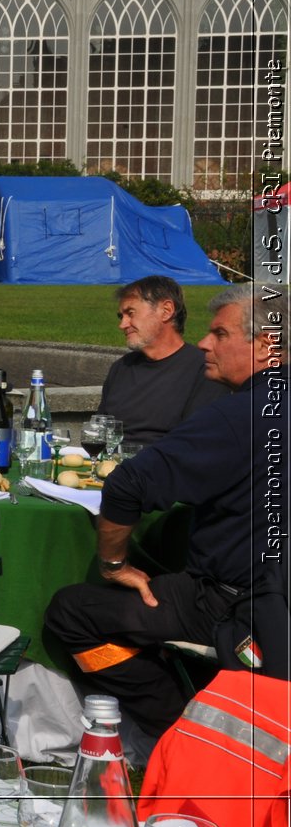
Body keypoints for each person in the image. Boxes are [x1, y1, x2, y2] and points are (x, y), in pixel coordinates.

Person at [45, 283, 289, 740]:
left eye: (218, 334)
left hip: (236, 603)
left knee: (72, 612)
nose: (204, 343)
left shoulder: (239, 417)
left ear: (265, 344)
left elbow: (126, 486)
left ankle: (179, 733)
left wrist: (114, 564)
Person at [96, 274, 229, 448]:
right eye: (121, 316)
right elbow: (99, 431)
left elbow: (196, 444)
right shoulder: (121, 368)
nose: (123, 324)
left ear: (166, 311)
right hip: (112, 467)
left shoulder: (205, 369)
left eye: (130, 313)